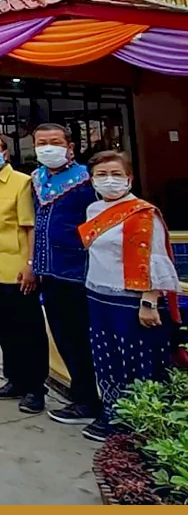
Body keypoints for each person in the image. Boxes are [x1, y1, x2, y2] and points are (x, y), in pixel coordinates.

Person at [78, 151, 181, 442]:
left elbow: (156, 258)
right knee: (106, 358)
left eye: (116, 174)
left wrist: (149, 302)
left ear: (129, 178)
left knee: (137, 361)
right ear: (93, 180)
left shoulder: (144, 213)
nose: (109, 180)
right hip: (98, 295)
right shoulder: (93, 210)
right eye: (101, 175)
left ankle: (141, 423)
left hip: (132, 300)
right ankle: (111, 412)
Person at [0, 132, 47, 414]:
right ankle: (15, 379)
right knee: (4, 327)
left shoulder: (22, 182)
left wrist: (30, 265)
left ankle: (36, 388)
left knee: (29, 330)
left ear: (5, 153)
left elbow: (30, 227)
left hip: (17, 268)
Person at [30, 123, 102, 427]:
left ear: (70, 146)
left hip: (78, 272)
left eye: (55, 142)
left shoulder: (89, 180)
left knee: (80, 338)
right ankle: (81, 394)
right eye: (41, 142)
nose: (48, 147)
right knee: (62, 336)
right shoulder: (37, 180)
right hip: (49, 272)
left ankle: (88, 399)